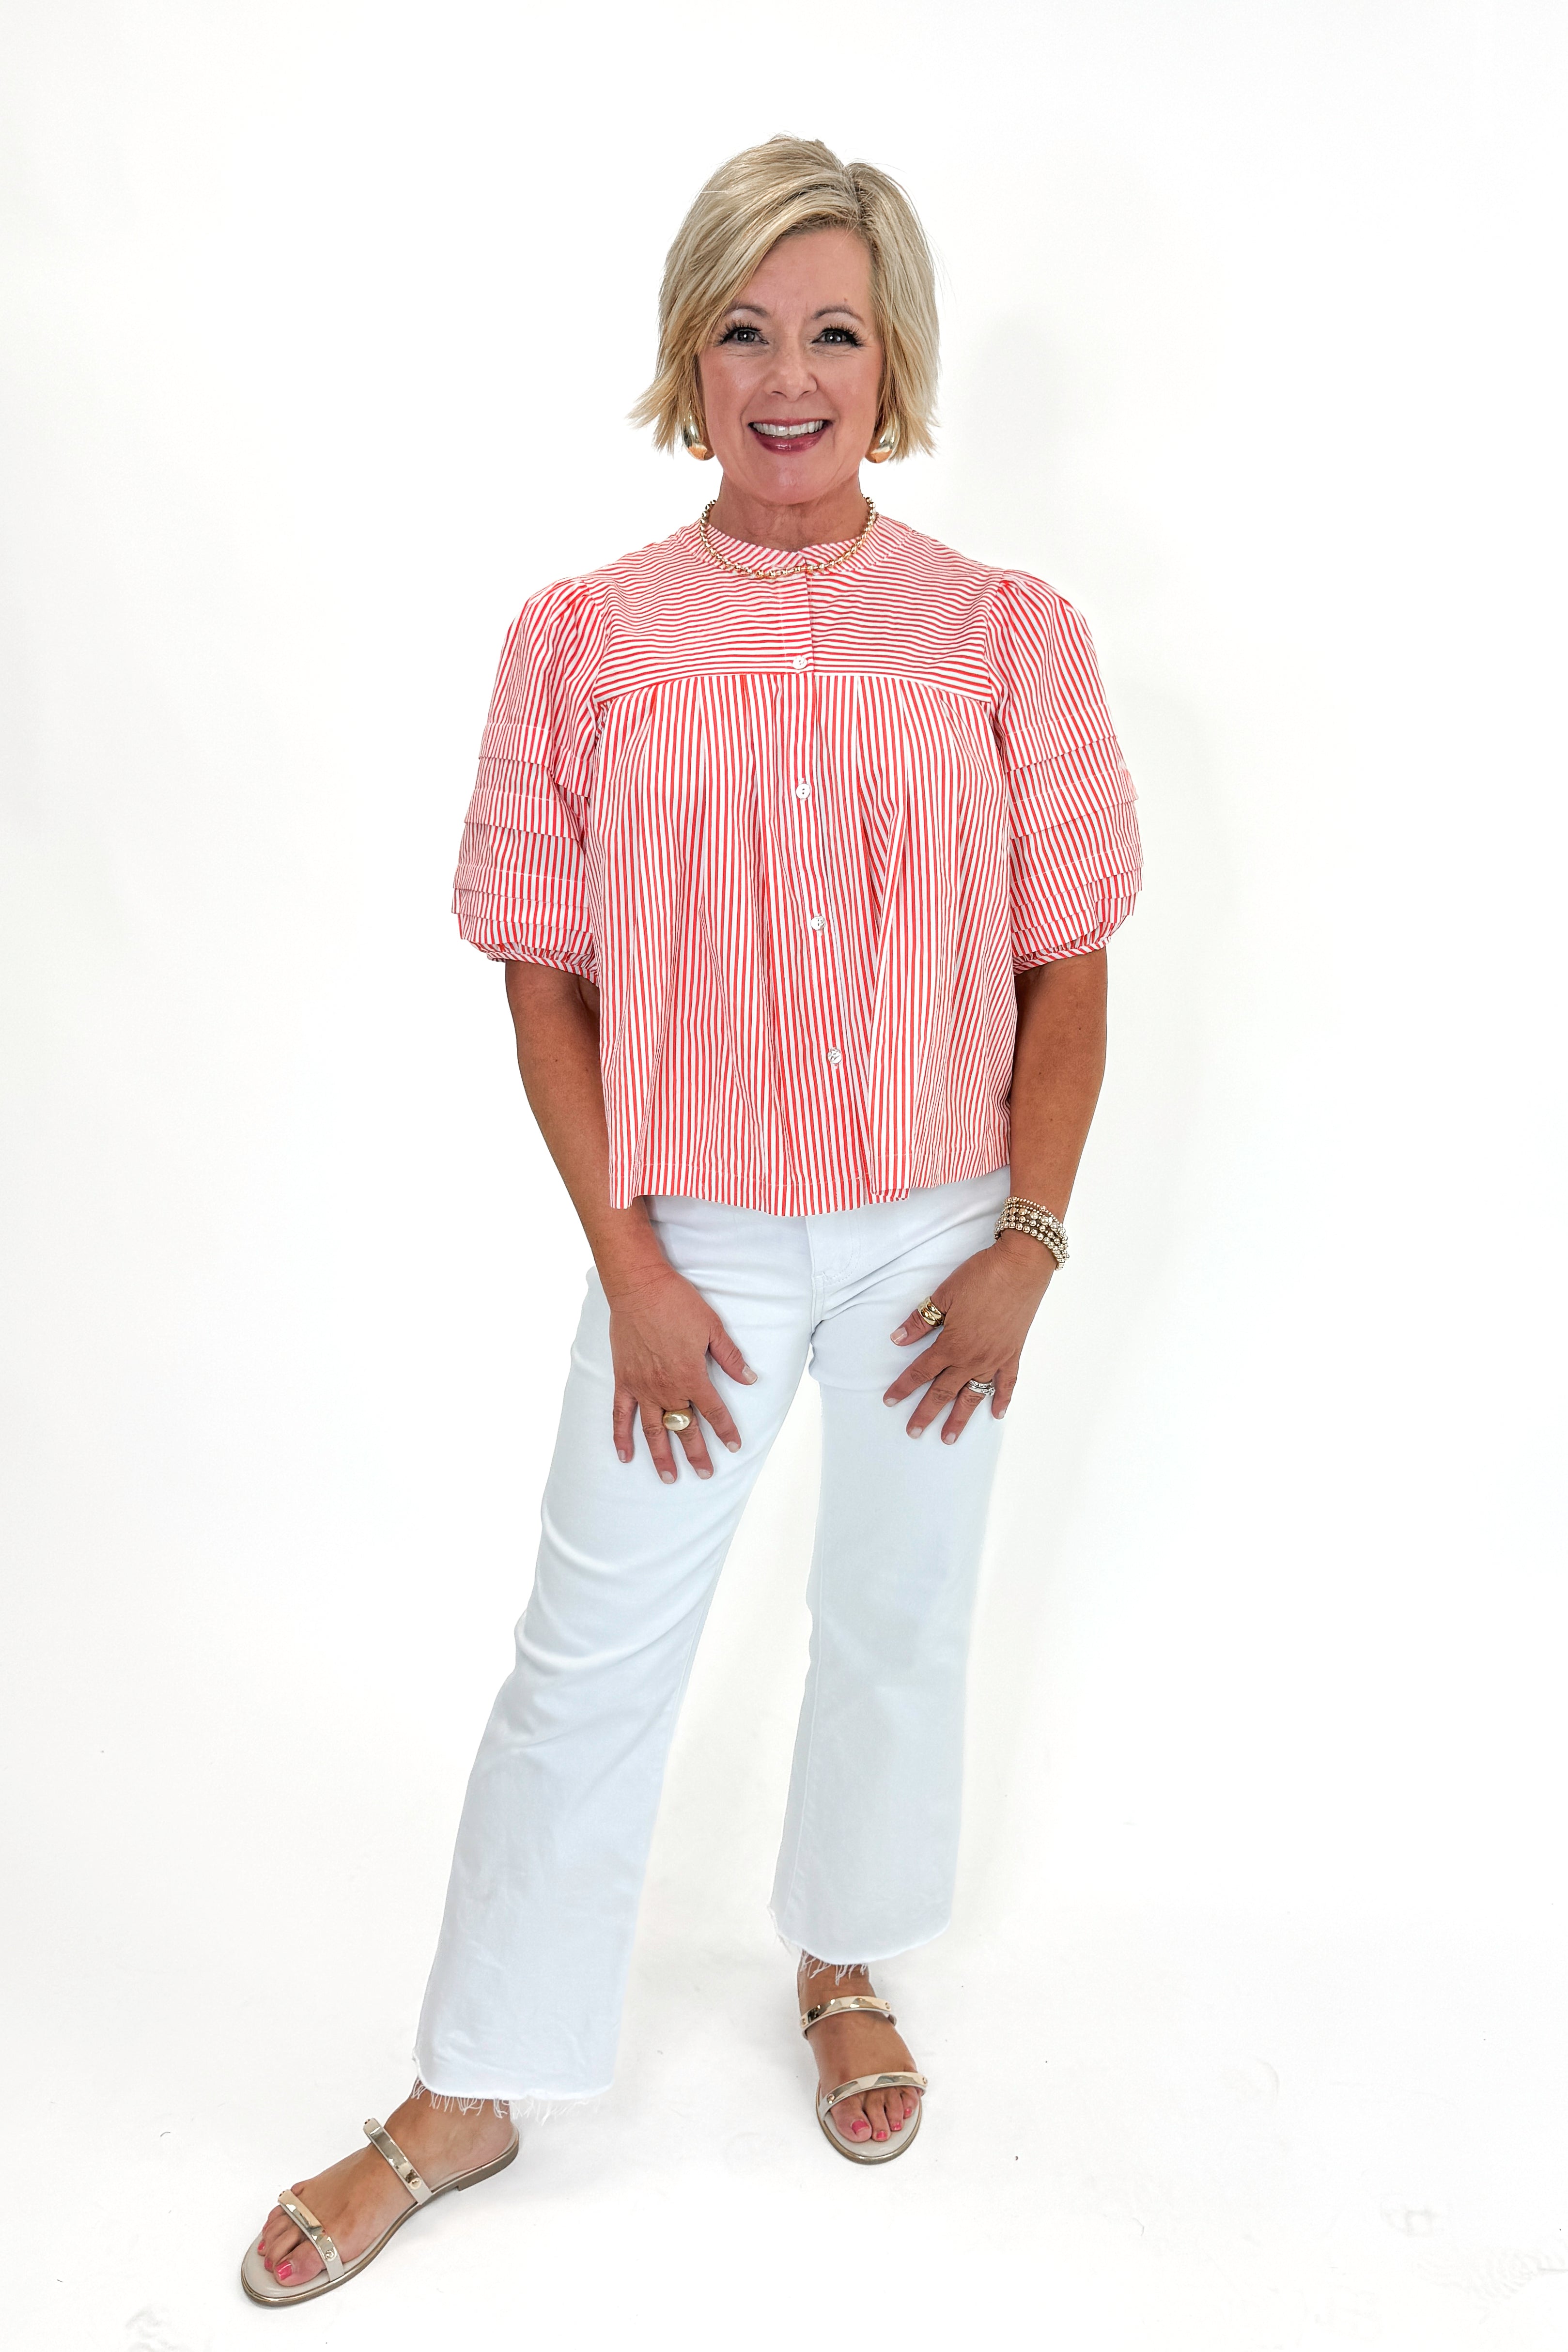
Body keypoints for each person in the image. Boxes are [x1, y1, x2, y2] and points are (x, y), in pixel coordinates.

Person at [243, 133, 1141, 2305]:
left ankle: (843, 1953)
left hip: (944, 1229)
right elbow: (543, 972)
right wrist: (634, 1261)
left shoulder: (1006, 635)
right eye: (746, 325)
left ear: (895, 357)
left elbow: (1072, 958)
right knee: (586, 1662)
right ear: (689, 351)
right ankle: (468, 2079)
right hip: (702, 1241)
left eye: (834, 327)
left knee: (902, 1620)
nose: (789, 369)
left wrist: (1024, 1238)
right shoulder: (585, 642)